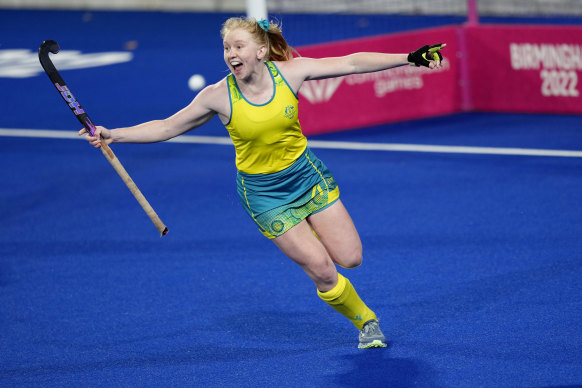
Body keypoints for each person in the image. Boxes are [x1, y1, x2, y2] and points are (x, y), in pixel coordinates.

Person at [79, 17, 445, 349]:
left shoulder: (291, 72)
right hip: (265, 195)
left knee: (351, 258)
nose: (230, 54)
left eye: (238, 47)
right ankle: (366, 322)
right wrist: (114, 135)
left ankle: (310, 234)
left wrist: (410, 57)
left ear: (260, 50)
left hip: (306, 176)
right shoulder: (217, 96)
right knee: (321, 269)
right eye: (226, 48)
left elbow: (350, 62)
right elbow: (167, 126)